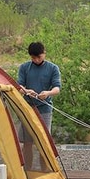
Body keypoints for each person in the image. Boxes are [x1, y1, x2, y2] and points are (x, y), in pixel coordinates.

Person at [17, 42, 61, 170]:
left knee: (44, 141)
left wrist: (48, 93)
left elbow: (57, 88)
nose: (36, 60)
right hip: (27, 109)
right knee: (27, 142)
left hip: (45, 109)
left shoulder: (53, 68)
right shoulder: (24, 67)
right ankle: (27, 171)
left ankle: (45, 170)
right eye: (33, 58)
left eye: (39, 57)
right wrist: (26, 91)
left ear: (44, 54)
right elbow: (19, 86)